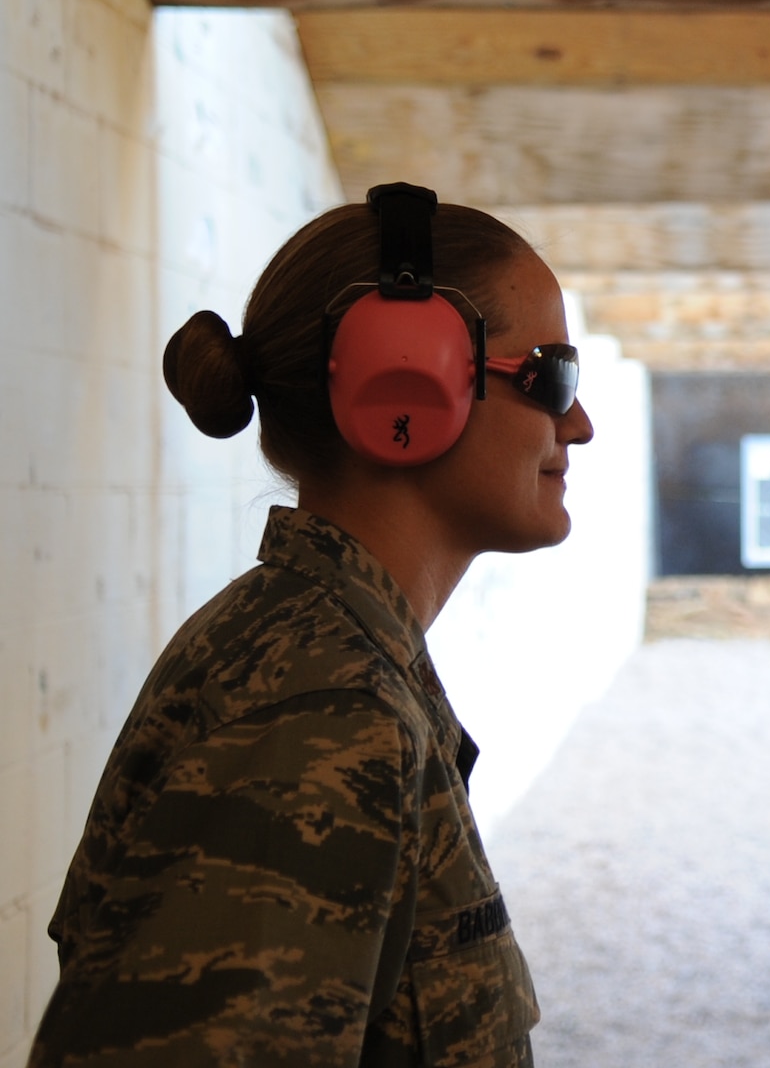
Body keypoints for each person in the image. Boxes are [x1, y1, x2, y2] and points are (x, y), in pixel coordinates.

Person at [30, 186, 593, 1067]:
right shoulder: (321, 712)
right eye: (552, 374)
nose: (579, 424)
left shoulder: (324, 658)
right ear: (406, 377)